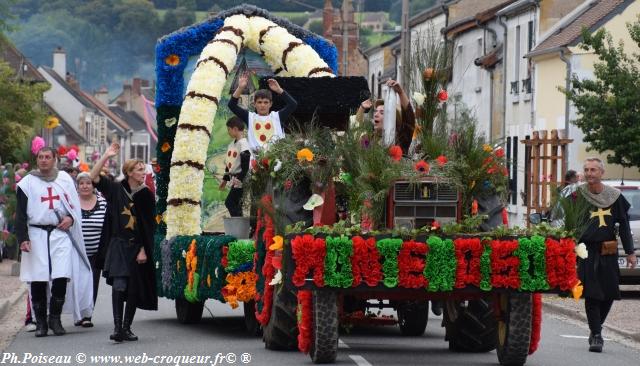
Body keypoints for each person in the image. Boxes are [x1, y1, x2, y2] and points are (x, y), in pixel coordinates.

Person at [15, 147, 93, 337]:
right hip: (36, 233)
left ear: (54, 159)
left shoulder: (65, 179)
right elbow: (21, 214)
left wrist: (71, 220)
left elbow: (74, 206)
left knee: (61, 274)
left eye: (47, 157)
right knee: (38, 277)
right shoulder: (27, 183)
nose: (44, 160)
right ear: (37, 160)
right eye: (40, 157)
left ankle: (55, 319)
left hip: (60, 233)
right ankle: (41, 321)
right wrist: (23, 238)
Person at [90, 143, 157, 342]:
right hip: (119, 245)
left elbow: (148, 226)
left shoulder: (146, 195)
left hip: (137, 248)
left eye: (143, 169)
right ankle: (118, 327)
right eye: (138, 170)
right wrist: (106, 155)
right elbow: (93, 177)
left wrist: (144, 249)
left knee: (134, 289)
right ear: (128, 172)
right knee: (119, 285)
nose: (143, 173)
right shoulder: (116, 190)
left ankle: (127, 327)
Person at [577, 157, 637, 352]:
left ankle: (596, 327)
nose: (589, 173)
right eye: (586, 170)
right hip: (585, 250)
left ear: (601, 173)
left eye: (593, 170)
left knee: (609, 292)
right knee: (592, 293)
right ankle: (596, 335)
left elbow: (625, 225)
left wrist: (630, 252)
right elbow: (568, 221)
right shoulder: (578, 195)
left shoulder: (614, 196)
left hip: (608, 250)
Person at [228, 72, 297, 152]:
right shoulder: (250, 117)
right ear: (254, 104)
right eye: (259, 102)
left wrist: (279, 90)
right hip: (255, 161)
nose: (262, 105)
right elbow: (231, 105)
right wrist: (240, 88)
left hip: (276, 160)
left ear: (270, 104)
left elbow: (293, 104)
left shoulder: (277, 116)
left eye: (265, 102)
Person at [76, 172, 108, 327]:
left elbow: (108, 225)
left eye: (88, 183)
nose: (85, 186)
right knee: (77, 283)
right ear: (77, 186)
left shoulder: (102, 203)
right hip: (76, 252)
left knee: (92, 282)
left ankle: (88, 315)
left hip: (96, 251)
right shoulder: (72, 202)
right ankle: (78, 314)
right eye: (81, 183)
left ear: (93, 185)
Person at [356, 79, 416, 154]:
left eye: (382, 112)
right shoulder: (369, 139)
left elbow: (409, 119)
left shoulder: (400, 139)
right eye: (375, 111)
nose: (376, 114)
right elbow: (357, 128)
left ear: (394, 119)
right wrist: (362, 108)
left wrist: (401, 93)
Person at [220, 117, 251, 217]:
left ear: (235, 129)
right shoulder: (231, 144)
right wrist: (225, 180)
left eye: (229, 129)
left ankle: (239, 225)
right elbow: (229, 164)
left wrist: (239, 179)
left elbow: (245, 166)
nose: (228, 132)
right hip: (235, 178)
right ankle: (239, 228)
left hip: (240, 179)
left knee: (230, 202)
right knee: (236, 204)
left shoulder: (243, 144)